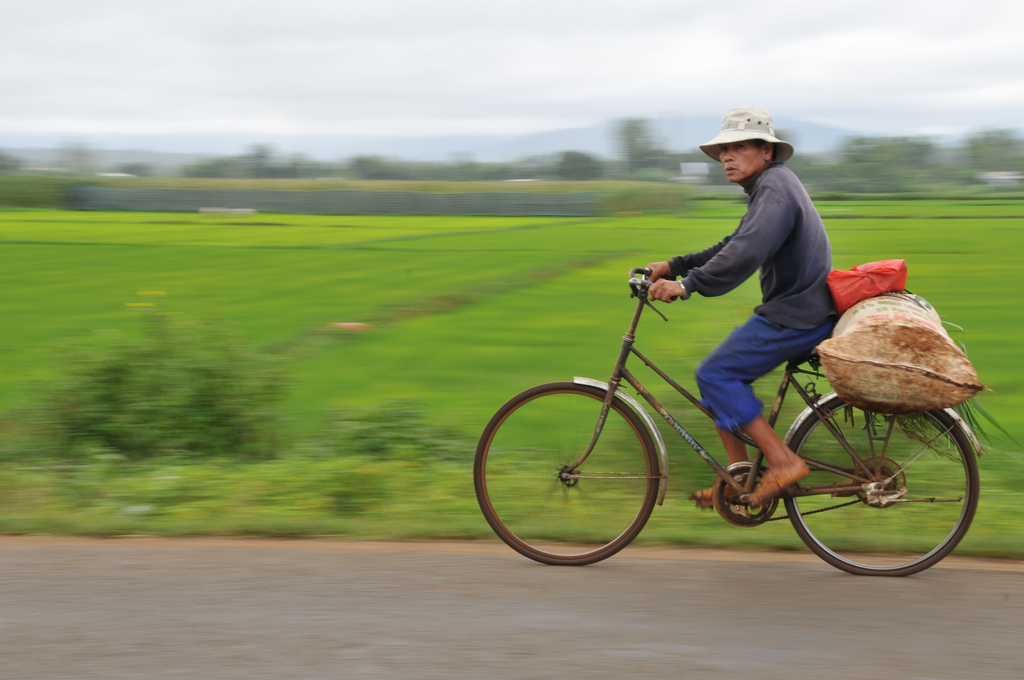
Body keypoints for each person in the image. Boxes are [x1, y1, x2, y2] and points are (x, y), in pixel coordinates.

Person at [646, 105, 836, 509]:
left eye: (738, 147)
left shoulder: (774, 188)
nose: (726, 157)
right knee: (718, 379)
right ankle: (741, 479)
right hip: (799, 310)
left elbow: (745, 252)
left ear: (766, 151)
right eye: (723, 150)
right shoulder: (771, 187)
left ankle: (783, 463)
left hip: (798, 315)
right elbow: (735, 242)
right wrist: (676, 265)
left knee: (715, 373)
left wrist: (686, 285)